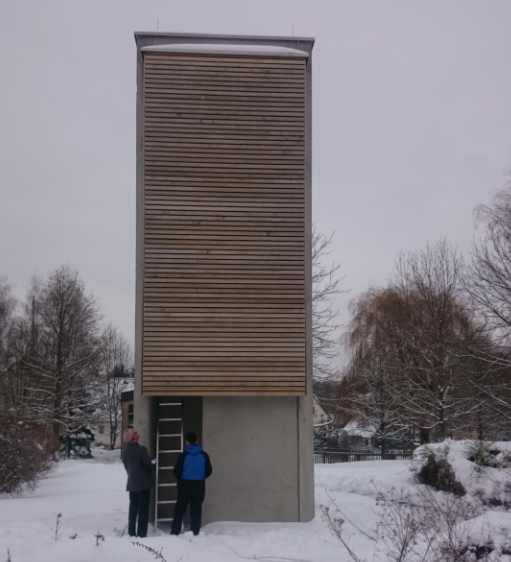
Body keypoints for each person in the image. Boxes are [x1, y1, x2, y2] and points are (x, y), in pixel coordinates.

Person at [171, 432, 212, 536]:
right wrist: (201, 476)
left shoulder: (183, 456)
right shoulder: (204, 455)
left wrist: (182, 479)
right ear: (197, 441)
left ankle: (175, 532)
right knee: (196, 511)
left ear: (187, 442)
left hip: (185, 485)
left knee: (179, 510)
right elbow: (209, 471)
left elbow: (176, 471)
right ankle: (195, 533)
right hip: (199, 486)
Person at [121, 428, 154, 538]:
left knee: (133, 510)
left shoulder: (125, 452)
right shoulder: (141, 450)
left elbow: (128, 467)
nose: (138, 433)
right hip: (143, 485)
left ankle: (131, 532)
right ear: (133, 437)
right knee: (143, 511)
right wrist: (153, 463)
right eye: (136, 432)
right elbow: (147, 465)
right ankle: (141, 534)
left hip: (132, 484)